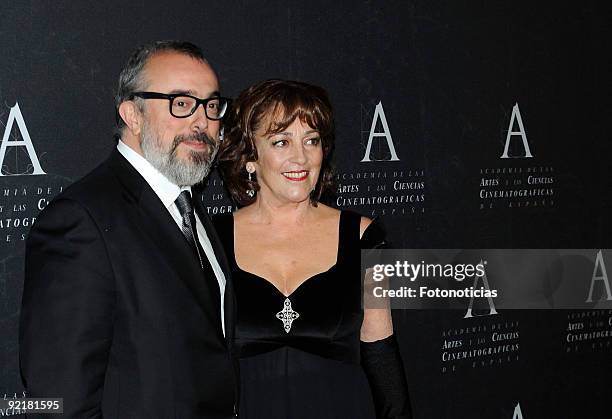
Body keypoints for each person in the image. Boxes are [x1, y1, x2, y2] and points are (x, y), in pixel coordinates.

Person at [19, 41, 238, 418]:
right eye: (182, 103)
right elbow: (57, 398)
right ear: (132, 115)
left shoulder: (188, 205)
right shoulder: (81, 220)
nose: (202, 122)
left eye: (212, 105)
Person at [215, 79, 411, 418]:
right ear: (250, 157)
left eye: (312, 140)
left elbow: (380, 353)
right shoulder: (211, 240)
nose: (301, 157)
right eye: (281, 141)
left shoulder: (364, 237)